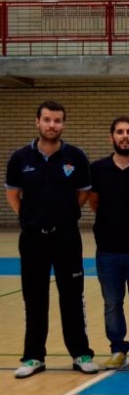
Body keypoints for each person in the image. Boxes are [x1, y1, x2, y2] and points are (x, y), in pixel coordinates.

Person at [6, 101, 98, 378]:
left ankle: (81, 353)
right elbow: (13, 193)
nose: (52, 125)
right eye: (47, 120)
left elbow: (83, 194)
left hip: (66, 237)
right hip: (33, 237)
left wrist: (64, 214)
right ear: (37, 122)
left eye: (57, 121)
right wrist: (32, 217)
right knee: (34, 298)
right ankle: (34, 357)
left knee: (72, 297)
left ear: (63, 124)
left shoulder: (76, 157)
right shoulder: (20, 157)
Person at [89, 116, 129, 371]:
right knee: (112, 303)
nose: (124, 136)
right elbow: (94, 203)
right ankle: (117, 348)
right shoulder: (99, 168)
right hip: (108, 251)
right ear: (111, 137)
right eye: (119, 132)